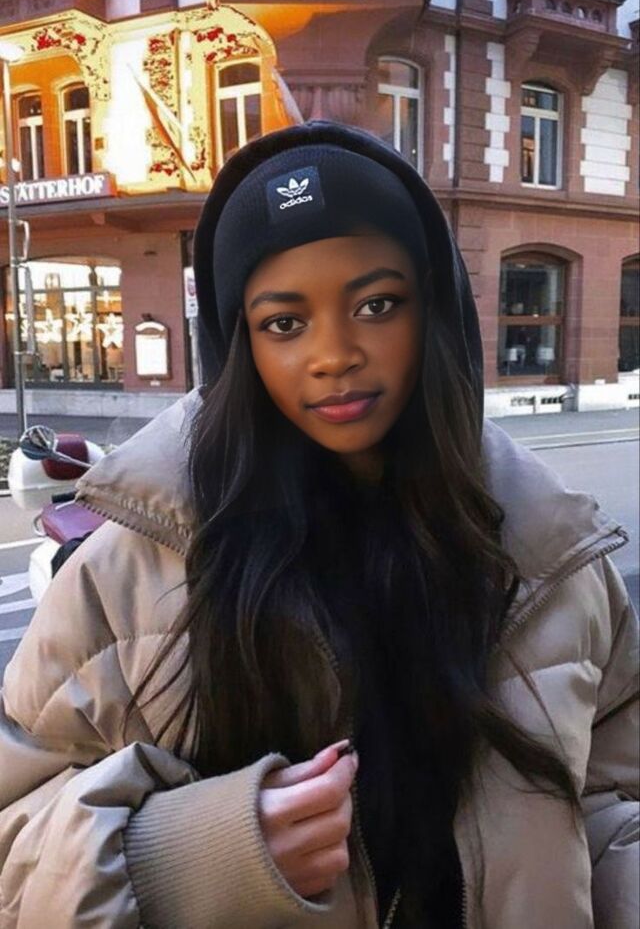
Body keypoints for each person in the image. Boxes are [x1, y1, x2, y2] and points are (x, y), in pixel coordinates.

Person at [0, 121, 637, 928]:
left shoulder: (555, 553)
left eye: (376, 304)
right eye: (284, 322)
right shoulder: (127, 573)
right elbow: (14, 837)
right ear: (239, 344)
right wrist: (185, 857)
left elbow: (609, 801)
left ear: (435, 313)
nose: (334, 354)